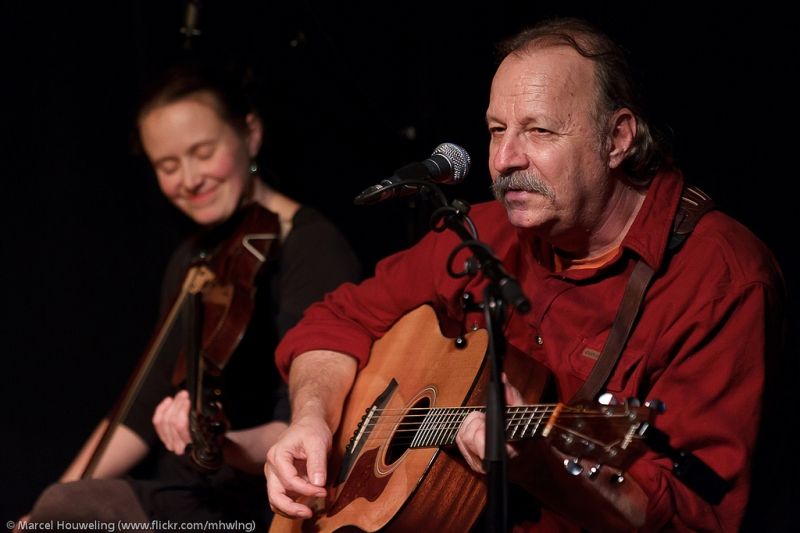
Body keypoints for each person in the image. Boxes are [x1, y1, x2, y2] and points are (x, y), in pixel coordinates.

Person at [263, 17, 785, 531]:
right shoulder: (482, 231)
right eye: (497, 131)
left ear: (617, 138)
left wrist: (540, 465)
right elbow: (334, 320)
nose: (505, 159)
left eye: (539, 130)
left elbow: (696, 516)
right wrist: (312, 418)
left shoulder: (720, 278)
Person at [20, 62, 361, 530]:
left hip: (264, 502)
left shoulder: (311, 247)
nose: (189, 178)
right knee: (59, 508)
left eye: (203, 152)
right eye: (167, 166)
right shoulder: (192, 258)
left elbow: (304, 422)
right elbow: (142, 404)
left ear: (250, 134)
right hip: (187, 493)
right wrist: (41, 512)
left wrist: (222, 443)